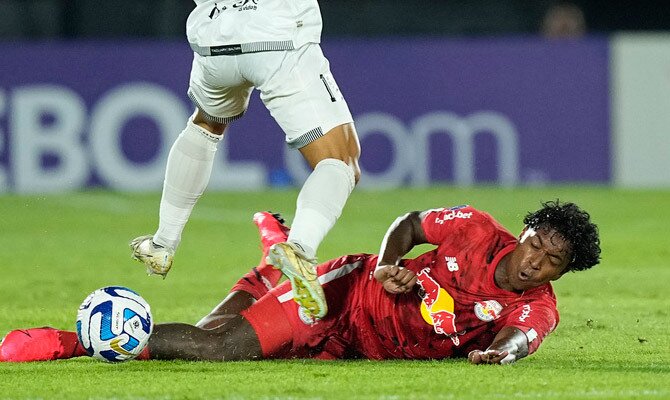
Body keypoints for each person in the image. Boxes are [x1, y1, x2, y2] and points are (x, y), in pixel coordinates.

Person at [1, 201, 601, 364]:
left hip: (357, 348)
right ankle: (78, 341)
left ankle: (267, 267)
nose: (535, 262)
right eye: (537, 244)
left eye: (552, 262)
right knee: (218, 347)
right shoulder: (474, 228)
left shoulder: (538, 310)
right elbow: (411, 224)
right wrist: (392, 263)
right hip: (339, 293)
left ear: (560, 274)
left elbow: (521, 339)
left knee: (216, 329)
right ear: (525, 231)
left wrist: (501, 355)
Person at [130, 0, 362, 319]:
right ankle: (300, 251)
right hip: (276, 30)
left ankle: (162, 243)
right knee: (341, 159)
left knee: (206, 124)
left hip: (214, 35)